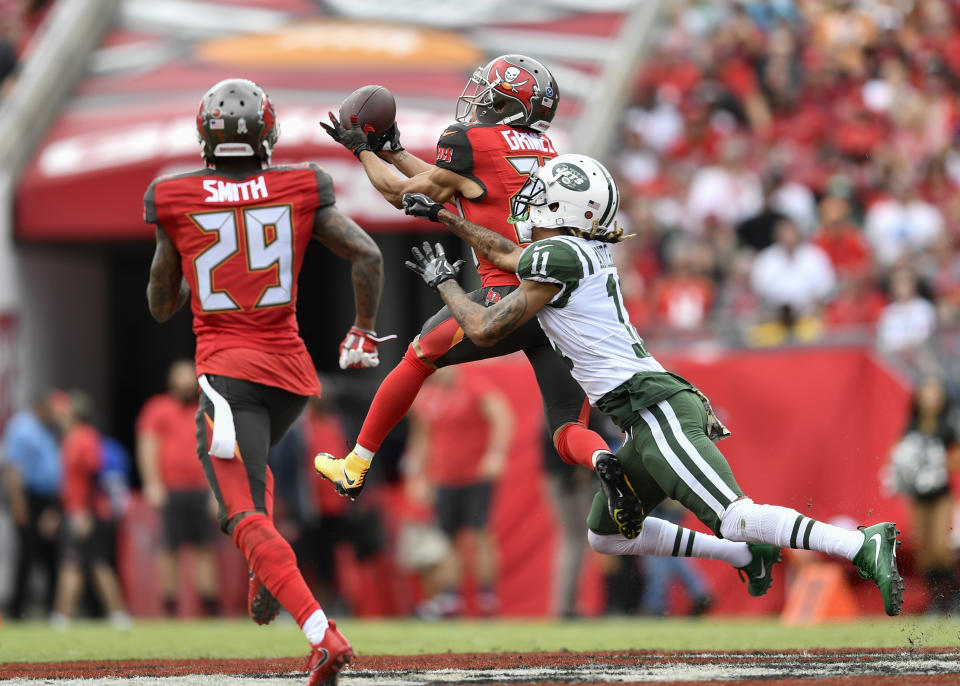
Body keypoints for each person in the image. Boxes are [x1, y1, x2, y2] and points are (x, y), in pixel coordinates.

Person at [400, 152, 905, 617]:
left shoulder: (564, 254)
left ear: (566, 207)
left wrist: (442, 279)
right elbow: (508, 253)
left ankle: (861, 544)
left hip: (653, 408)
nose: (531, 202)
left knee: (734, 513)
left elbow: (486, 324)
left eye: (545, 195)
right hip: (637, 416)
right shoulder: (572, 250)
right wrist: (446, 217)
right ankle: (743, 552)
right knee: (607, 537)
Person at [316, 54, 644, 542]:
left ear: (509, 105)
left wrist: (362, 149)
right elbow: (459, 184)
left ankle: (356, 464)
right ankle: (603, 459)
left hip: (507, 296)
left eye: (488, 94)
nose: (478, 100)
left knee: (418, 355)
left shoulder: (468, 140)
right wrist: (395, 150)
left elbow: (404, 194)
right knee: (565, 428)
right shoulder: (546, 147)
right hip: (558, 299)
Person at [144, 78, 389, 684]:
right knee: (257, 480)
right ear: (268, 133)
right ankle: (265, 571)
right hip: (291, 379)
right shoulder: (299, 183)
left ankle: (320, 632)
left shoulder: (174, 195)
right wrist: (361, 330)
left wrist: (189, 254)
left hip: (228, 373)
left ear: (205, 136)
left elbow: (159, 304)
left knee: (240, 513)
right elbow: (369, 255)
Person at [404, 365, 512, 618]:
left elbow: (502, 416)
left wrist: (496, 454)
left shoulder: (473, 385)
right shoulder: (425, 396)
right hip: (443, 478)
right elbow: (420, 438)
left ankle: (487, 597)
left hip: (476, 474)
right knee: (447, 537)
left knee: (481, 534)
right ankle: (452, 598)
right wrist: (415, 476)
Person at [136, 359, 220, 617]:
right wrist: (153, 484)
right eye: (180, 378)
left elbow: (215, 451)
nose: (185, 383)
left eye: (189, 378)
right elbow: (148, 446)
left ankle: (210, 605)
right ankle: (169, 605)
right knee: (169, 548)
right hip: (171, 490)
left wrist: (216, 492)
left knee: (205, 548)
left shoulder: (206, 410)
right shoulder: (157, 409)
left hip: (200, 489)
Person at [50, 391, 130, 630]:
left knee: (81, 563)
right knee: (88, 563)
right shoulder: (70, 439)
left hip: (84, 512)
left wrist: (84, 512)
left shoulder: (84, 438)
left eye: (63, 412)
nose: (59, 416)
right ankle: (116, 615)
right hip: (76, 510)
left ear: (75, 414)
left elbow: (93, 477)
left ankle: (63, 617)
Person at [887, 375, 959, 614]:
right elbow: (897, 454)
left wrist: (936, 467)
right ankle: (935, 601)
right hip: (918, 499)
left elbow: (955, 457)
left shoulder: (947, 427)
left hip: (940, 496)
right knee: (925, 551)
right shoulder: (911, 426)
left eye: (934, 394)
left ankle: (951, 598)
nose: (929, 399)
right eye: (926, 393)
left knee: (940, 547)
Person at [2, 391, 61, 619]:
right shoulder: (23, 427)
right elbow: (13, 469)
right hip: (29, 499)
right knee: (27, 555)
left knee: (50, 556)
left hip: (47, 500)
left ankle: (52, 609)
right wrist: (18, 504)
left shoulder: (48, 430)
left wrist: (55, 507)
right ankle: (17, 610)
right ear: (40, 406)